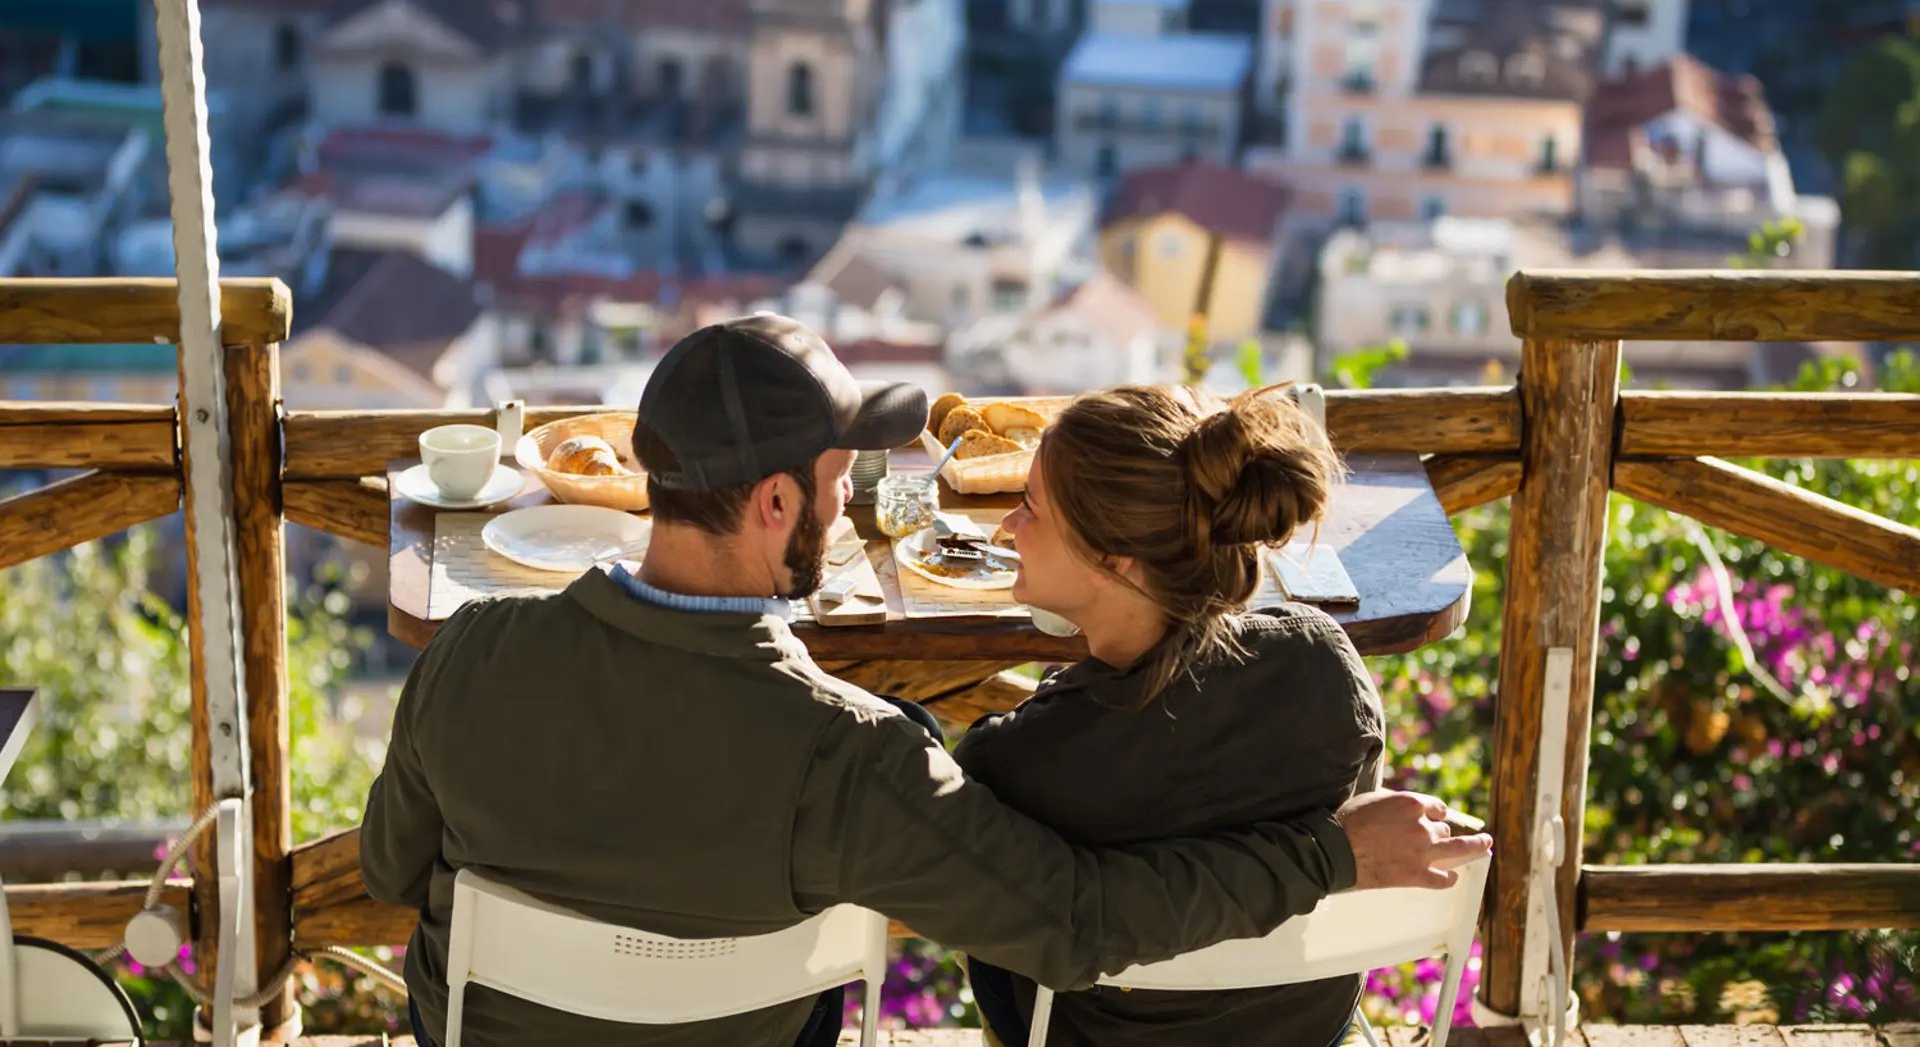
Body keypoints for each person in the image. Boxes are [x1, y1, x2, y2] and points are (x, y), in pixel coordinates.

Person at [360, 315, 1491, 1047]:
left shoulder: (470, 655)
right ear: (777, 504)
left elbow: (389, 867)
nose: (853, 495)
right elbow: (1076, 922)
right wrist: (1331, 855)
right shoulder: (857, 761)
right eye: (840, 475)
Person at [956, 383, 1398, 1047]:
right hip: (1305, 1029)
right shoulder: (1324, 664)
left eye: (1030, 507)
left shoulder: (1022, 758)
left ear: (1110, 557)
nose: (1007, 527)